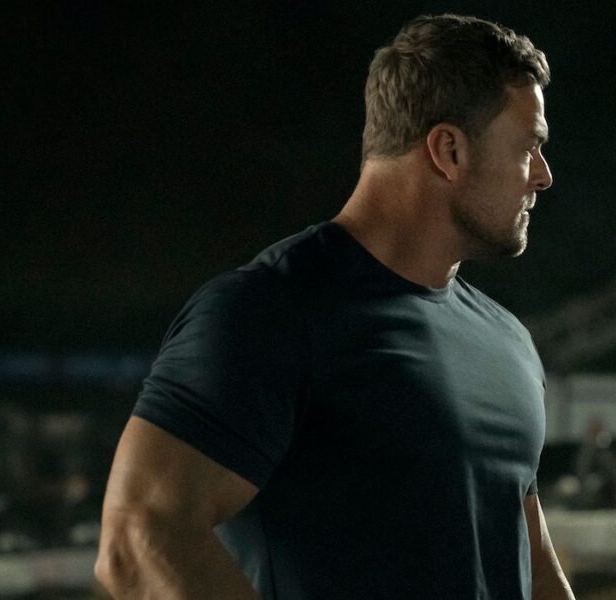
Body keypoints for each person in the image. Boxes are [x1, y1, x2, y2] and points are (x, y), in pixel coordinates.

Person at [95, 14, 575, 599]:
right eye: (529, 147)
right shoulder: (269, 312)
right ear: (448, 149)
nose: (543, 177)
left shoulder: (508, 340)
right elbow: (139, 540)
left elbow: (529, 561)